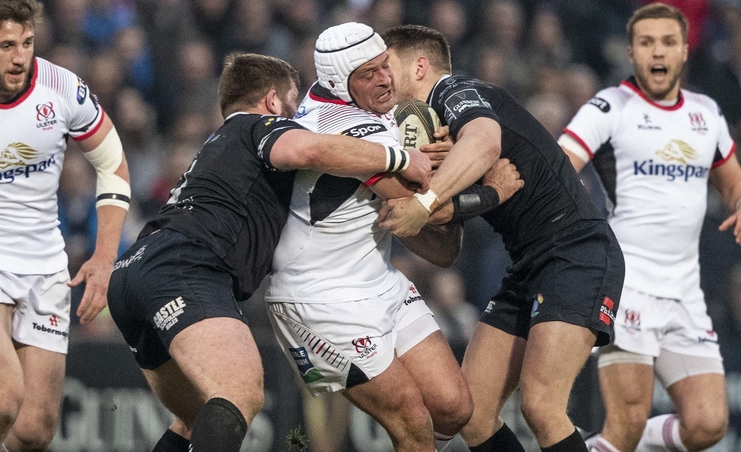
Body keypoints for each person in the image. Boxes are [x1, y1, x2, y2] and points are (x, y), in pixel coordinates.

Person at [106, 52, 432, 452]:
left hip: (133, 272)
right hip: (185, 267)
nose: (299, 115)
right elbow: (308, 151)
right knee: (239, 392)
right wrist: (400, 156)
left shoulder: (219, 145)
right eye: (294, 104)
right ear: (274, 101)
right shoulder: (259, 124)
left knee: (195, 420)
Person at [264, 22, 522, 452]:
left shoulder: (338, 95)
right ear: (337, 83)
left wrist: (431, 160)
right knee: (413, 422)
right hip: (318, 298)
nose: (385, 79)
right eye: (368, 74)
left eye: (385, 65)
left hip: (375, 278)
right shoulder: (344, 129)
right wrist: (493, 190)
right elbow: (424, 210)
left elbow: (433, 235)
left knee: (455, 407)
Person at [379, 24, 626, 452]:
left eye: (389, 66)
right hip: (528, 264)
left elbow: (486, 142)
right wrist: (470, 197)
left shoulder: (453, 90)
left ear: (420, 67)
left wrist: (425, 204)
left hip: (575, 251)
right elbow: (447, 249)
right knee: (473, 416)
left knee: (542, 406)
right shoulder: (430, 134)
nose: (382, 77)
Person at [0, 1, 131, 451]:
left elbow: (113, 166)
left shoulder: (62, 87)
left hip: (45, 265)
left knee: (33, 430)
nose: (20, 57)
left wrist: (105, 259)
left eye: (27, 43)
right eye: (6, 45)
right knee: (2, 402)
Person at [558, 4, 738, 451]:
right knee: (628, 419)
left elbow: (732, 178)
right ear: (631, 52)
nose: (658, 52)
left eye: (668, 42)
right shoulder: (610, 106)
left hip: (684, 291)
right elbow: (558, 168)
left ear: (684, 50)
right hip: (628, 284)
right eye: (646, 42)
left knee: (707, 424)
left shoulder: (706, 113)